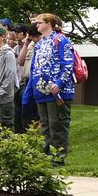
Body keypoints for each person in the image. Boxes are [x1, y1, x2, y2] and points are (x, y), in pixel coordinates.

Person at [30, 14, 74, 165]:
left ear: (49, 23)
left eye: (39, 22)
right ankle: (46, 156)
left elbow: (68, 64)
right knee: (45, 124)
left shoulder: (61, 40)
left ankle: (58, 158)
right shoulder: (40, 43)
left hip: (58, 92)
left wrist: (59, 83)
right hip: (41, 91)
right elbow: (35, 67)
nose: (36, 25)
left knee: (57, 124)